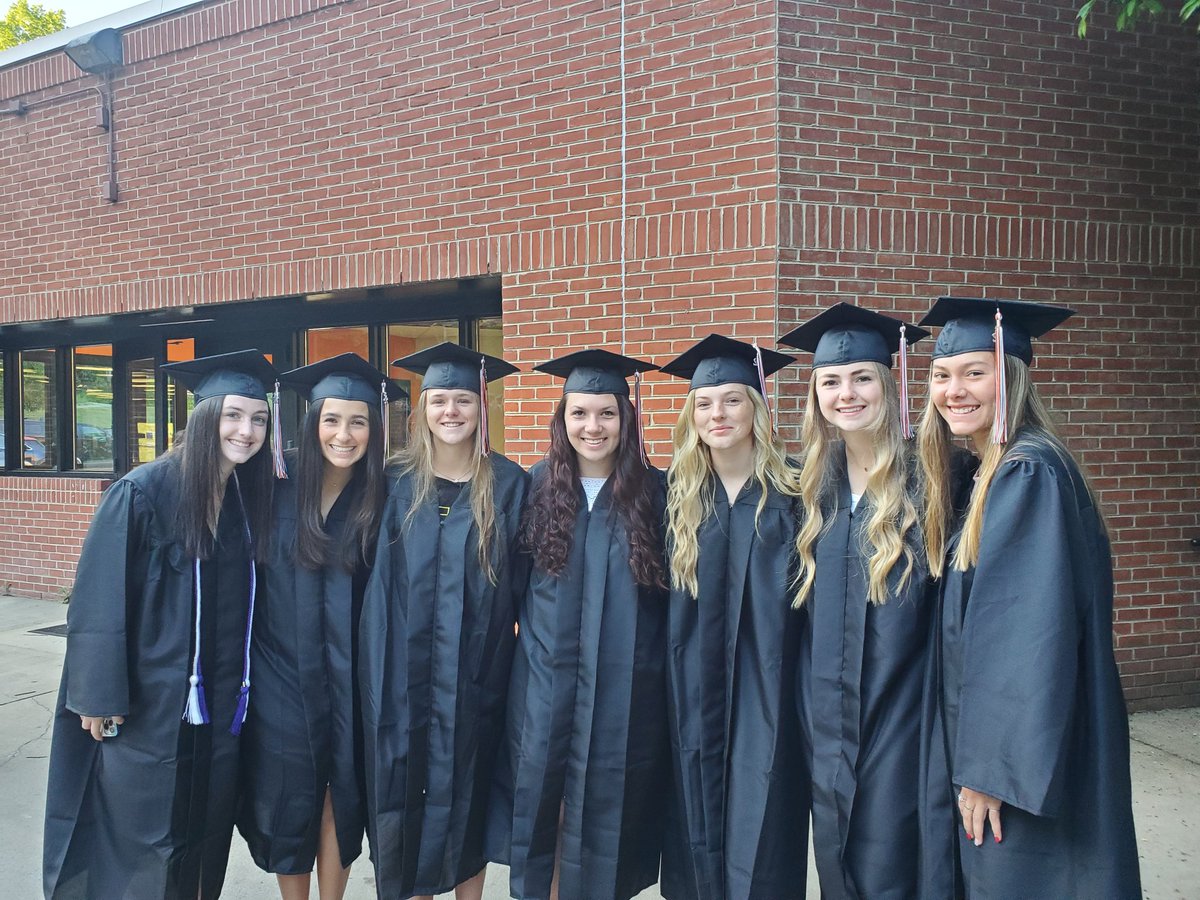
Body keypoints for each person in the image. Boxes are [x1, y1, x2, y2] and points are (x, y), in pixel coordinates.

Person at [916, 296, 1141, 898]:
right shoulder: (1009, 466)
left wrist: (988, 773)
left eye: (974, 372)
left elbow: (1023, 635)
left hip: (1020, 762)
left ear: (1009, 378)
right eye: (941, 375)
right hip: (1033, 745)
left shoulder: (1026, 473)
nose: (953, 390)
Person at [43, 350, 279, 900]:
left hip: (218, 710)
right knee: (141, 840)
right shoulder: (144, 491)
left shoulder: (246, 497)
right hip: (149, 709)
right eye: (233, 415)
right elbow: (99, 602)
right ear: (204, 417)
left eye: (259, 419)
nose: (247, 431)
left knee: (204, 833)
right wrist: (98, 697)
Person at [487, 349, 670, 900]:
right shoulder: (533, 488)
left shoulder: (655, 493)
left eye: (607, 414)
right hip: (544, 689)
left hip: (624, 693)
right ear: (562, 419)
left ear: (627, 419)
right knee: (546, 812)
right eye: (580, 413)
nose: (593, 427)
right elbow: (511, 592)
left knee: (608, 822)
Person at [359, 342, 529, 900]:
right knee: (402, 797)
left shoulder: (507, 484)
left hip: (476, 678)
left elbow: (528, 585)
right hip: (399, 677)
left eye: (463, 400)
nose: (451, 411)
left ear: (482, 407)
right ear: (421, 410)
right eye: (438, 401)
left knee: (468, 794)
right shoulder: (390, 482)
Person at [779, 303, 935, 900]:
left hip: (904, 713)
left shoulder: (932, 475)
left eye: (862, 377)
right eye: (831, 382)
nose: (847, 394)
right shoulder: (810, 485)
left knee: (896, 857)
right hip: (825, 716)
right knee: (835, 854)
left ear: (889, 382)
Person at [239, 353, 401, 900]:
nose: (344, 434)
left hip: (358, 678)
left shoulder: (386, 493)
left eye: (358, 421)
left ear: (374, 429)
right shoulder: (273, 481)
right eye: (332, 419)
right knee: (293, 797)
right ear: (312, 423)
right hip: (284, 674)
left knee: (343, 795)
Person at [658, 334, 809, 900]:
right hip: (691, 698)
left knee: (765, 831)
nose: (716, 414)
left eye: (731, 400)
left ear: (757, 407)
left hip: (770, 698)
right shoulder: (674, 495)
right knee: (693, 830)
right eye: (703, 403)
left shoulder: (796, 490)